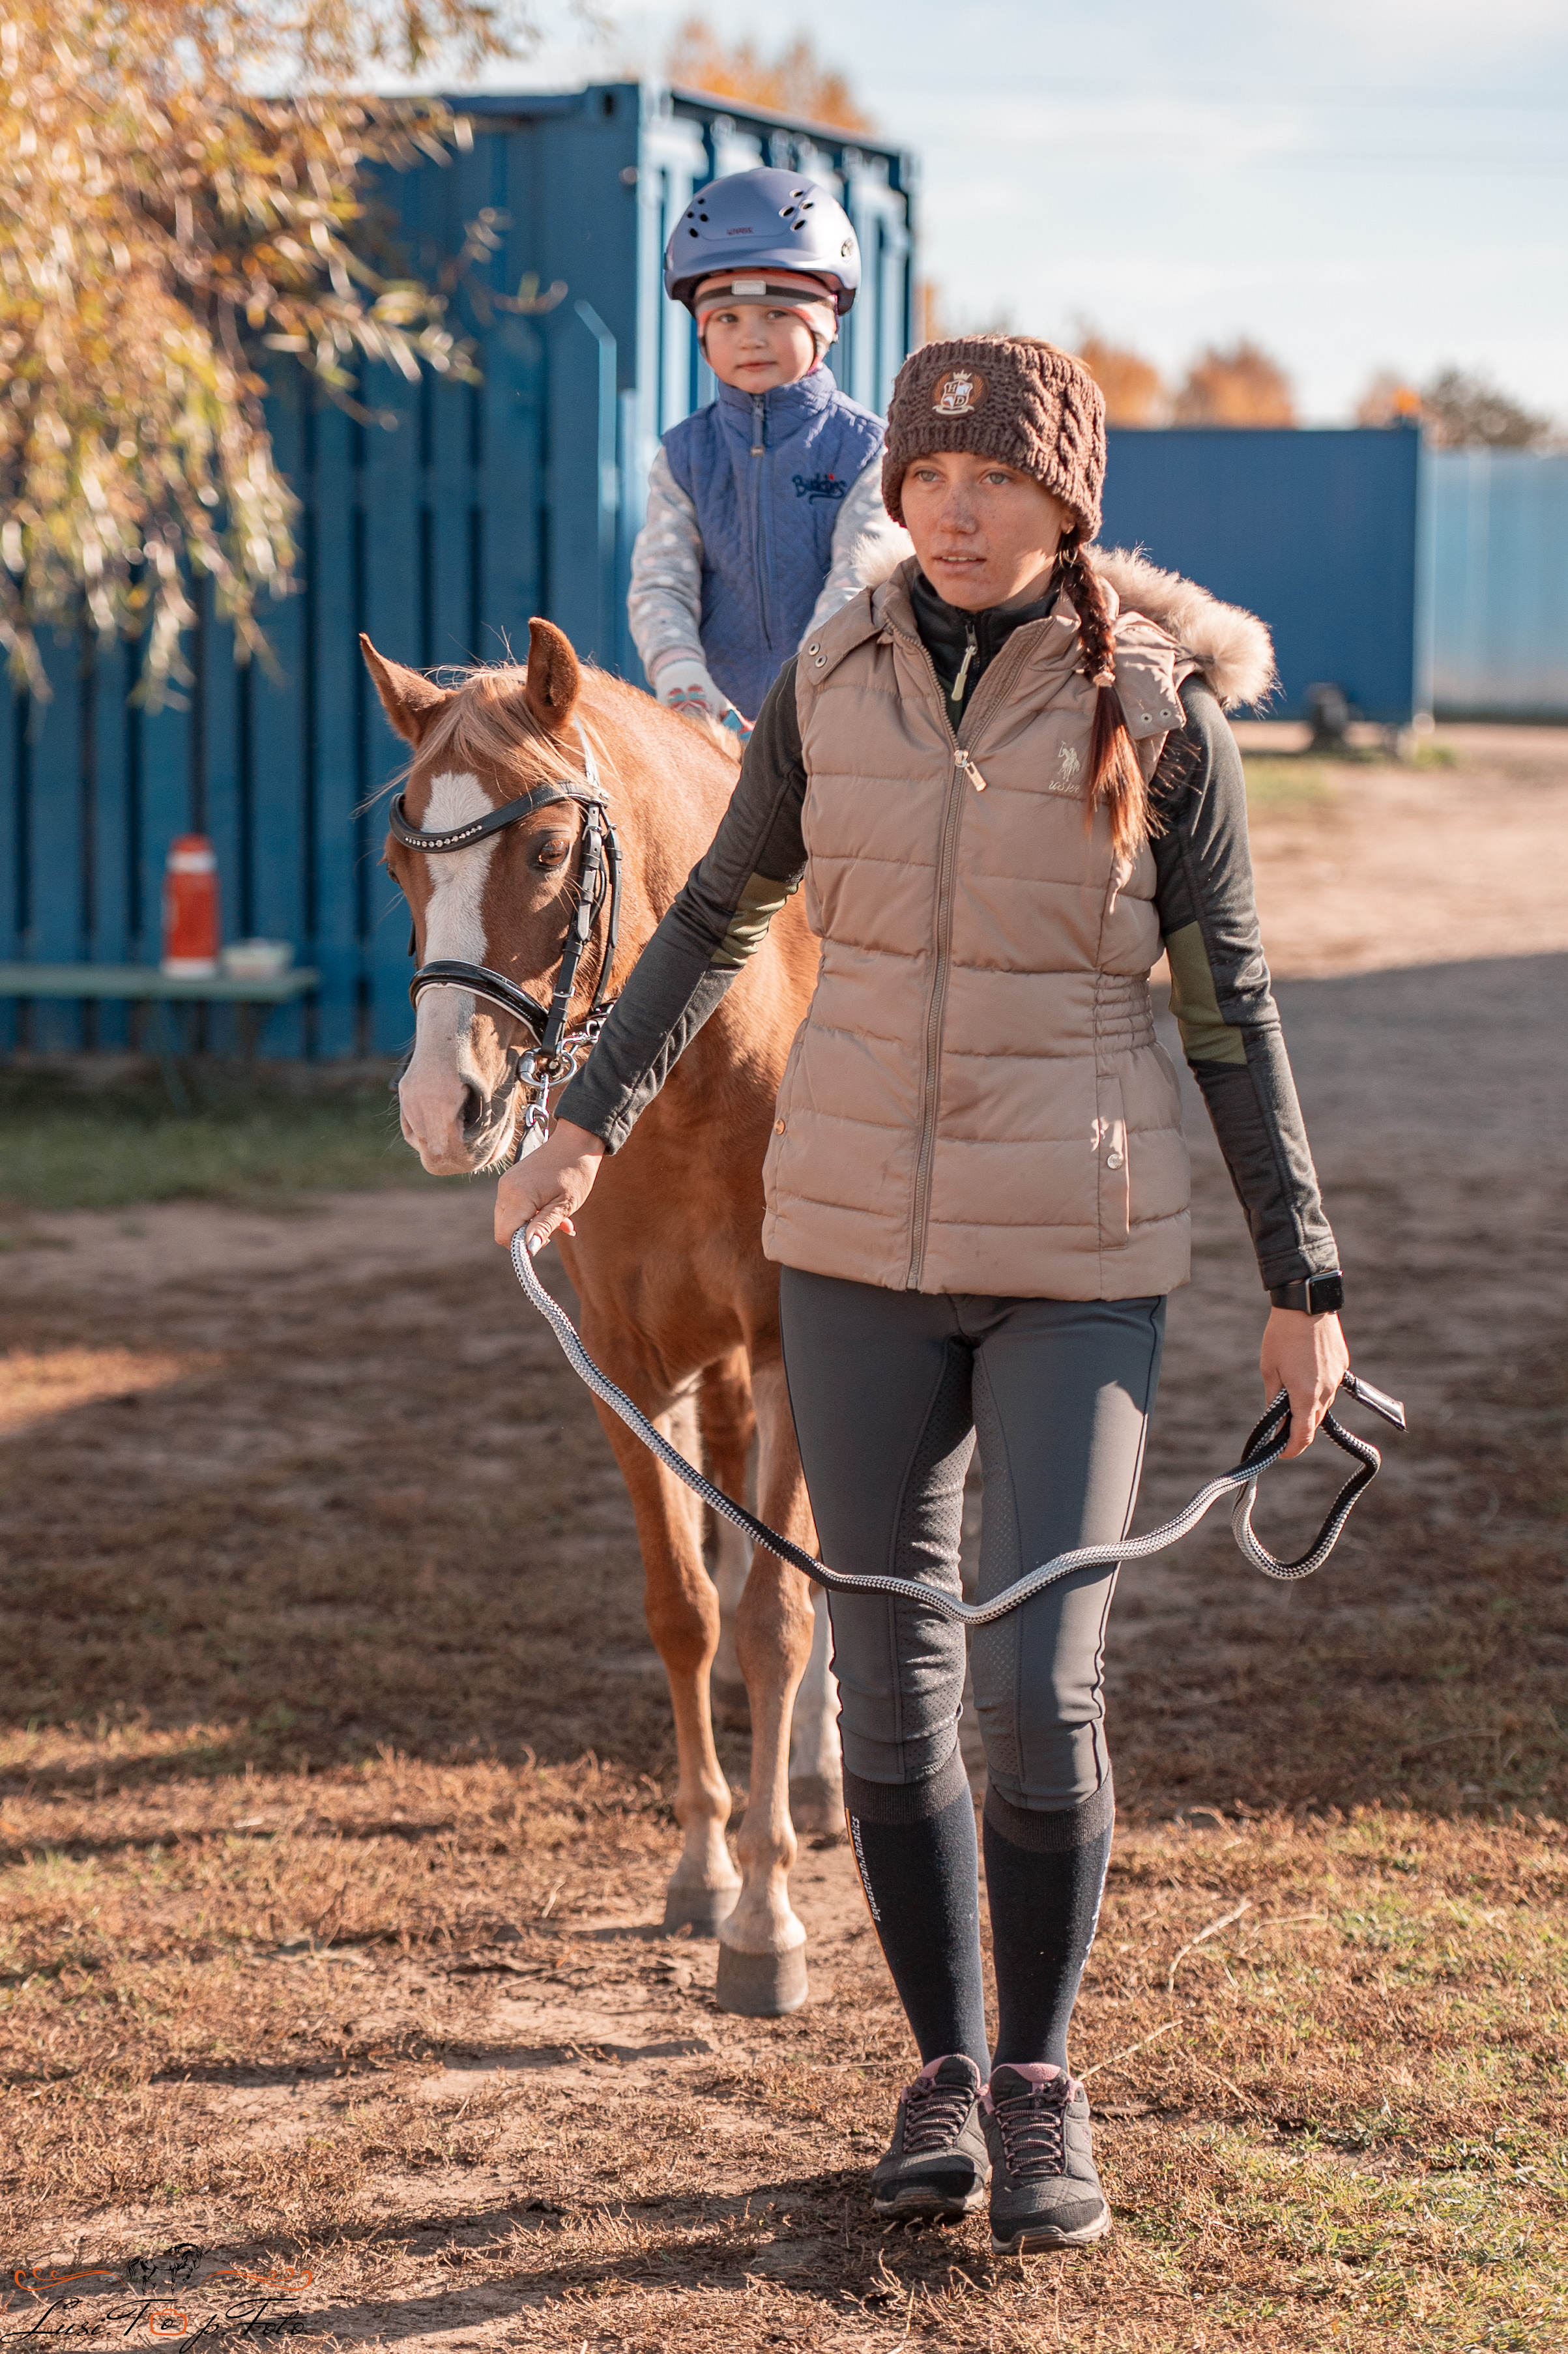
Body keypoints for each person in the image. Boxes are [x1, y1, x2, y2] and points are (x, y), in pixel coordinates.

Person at [499, 336, 1349, 2255]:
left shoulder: (1155, 713)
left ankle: (1039, 2083)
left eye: (997, 483)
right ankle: (943, 2072)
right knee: (884, 1692)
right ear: (895, 494)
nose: (956, 513)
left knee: (1037, 1690)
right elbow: (712, 915)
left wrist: (1302, 1277)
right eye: (929, 481)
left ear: (1067, 506)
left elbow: (1227, 1005)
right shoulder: (832, 680)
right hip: (854, 1254)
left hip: (1072, 1265)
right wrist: (578, 1123)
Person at [630, 166, 908, 733]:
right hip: (711, 726)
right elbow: (663, 581)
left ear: (826, 325)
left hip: (836, 720)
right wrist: (682, 675)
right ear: (702, 334)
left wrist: (796, 693)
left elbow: (858, 583)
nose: (750, 338)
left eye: (777, 314)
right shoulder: (685, 454)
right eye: (727, 318)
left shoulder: (864, 449)